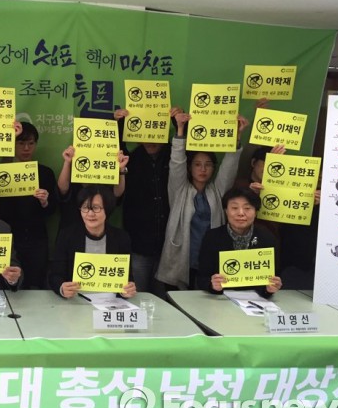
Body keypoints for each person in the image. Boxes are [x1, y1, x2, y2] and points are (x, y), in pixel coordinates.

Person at [156, 109, 247, 289]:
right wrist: (180, 130)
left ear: (214, 168)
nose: (203, 169)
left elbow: (229, 168)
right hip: (182, 257)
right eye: (197, 164)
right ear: (189, 168)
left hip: (209, 259)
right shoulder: (180, 189)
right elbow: (177, 163)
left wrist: (236, 137)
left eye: (208, 165)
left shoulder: (217, 191)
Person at [0, 122, 57, 289]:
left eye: (31, 143)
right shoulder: (0, 174)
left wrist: (45, 202)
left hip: (36, 240)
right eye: (21, 143)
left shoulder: (45, 173)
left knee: (35, 285)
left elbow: (53, 210)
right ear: (12, 145)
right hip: (9, 241)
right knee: (8, 285)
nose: (26, 148)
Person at [114, 108, 170, 297]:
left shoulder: (175, 157)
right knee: (137, 296)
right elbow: (117, 152)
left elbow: (193, 150)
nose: (150, 139)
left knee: (164, 300)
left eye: (154, 133)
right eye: (145, 134)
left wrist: (178, 123)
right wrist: (120, 124)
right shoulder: (131, 159)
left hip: (169, 247)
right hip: (138, 244)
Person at [49, 185, 137, 299]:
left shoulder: (121, 238)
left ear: (107, 209)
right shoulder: (67, 236)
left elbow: (127, 278)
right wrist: (62, 288)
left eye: (96, 208)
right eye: (85, 208)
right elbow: (55, 275)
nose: (90, 214)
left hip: (110, 301)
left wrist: (127, 289)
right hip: (76, 300)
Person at [196, 187, 282, 298]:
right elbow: (202, 278)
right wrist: (212, 285)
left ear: (255, 212)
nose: (241, 213)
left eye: (247, 208)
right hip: (219, 300)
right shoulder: (212, 237)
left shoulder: (267, 238)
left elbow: (273, 276)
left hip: (256, 300)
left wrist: (270, 288)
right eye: (234, 208)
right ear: (226, 211)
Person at [56, 145, 128, 232]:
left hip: (99, 232)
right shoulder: (73, 178)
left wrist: (121, 169)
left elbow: (117, 194)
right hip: (71, 230)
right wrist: (67, 162)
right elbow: (63, 190)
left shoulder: (104, 182)